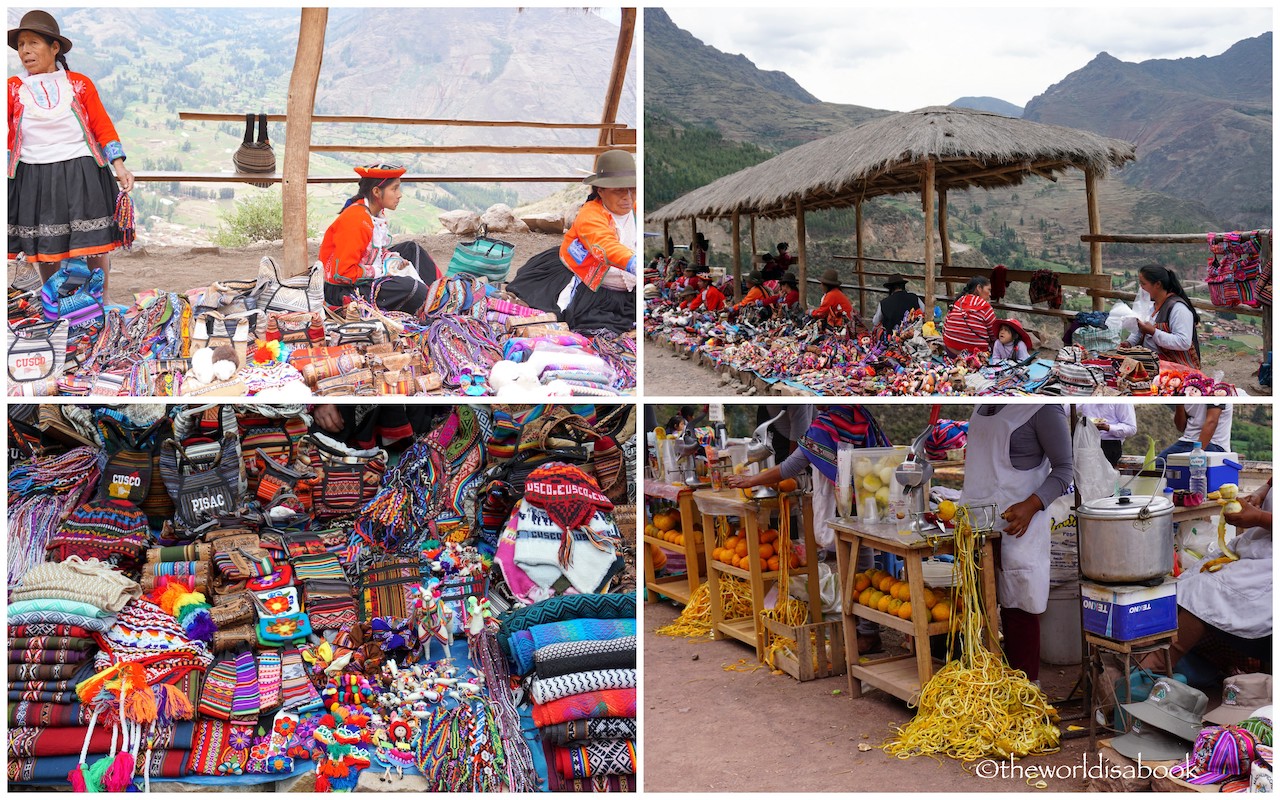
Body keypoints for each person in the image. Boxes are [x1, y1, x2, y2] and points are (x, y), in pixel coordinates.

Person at [727, 405, 891, 653]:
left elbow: (790, 466)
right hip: (874, 493)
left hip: (849, 502)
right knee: (863, 564)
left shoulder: (824, 425)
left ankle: (866, 633)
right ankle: (866, 629)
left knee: (855, 570)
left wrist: (750, 480)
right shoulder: (860, 413)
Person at [8, 10, 134, 304]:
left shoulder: (79, 84)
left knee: (93, 245)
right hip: (33, 175)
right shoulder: (12, 89)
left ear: (54, 48)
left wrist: (119, 164)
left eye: (33, 43)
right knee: (46, 246)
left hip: (81, 172)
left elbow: (101, 125)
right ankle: (56, 302)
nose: (25, 50)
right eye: (21, 45)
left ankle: (99, 300)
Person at [961, 404, 1072, 683]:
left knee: (1018, 607)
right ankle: (982, 686)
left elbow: (1064, 470)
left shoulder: (1044, 409)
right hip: (975, 522)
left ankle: (1024, 694)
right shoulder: (981, 405)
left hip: (1018, 524)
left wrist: (1032, 505)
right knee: (976, 608)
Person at [1166, 480, 1271, 667]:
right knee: (1193, 577)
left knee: (1207, 589)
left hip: (1270, 561)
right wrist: (1259, 495)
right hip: (1258, 542)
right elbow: (1271, 482)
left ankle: (1160, 662)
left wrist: (1259, 518)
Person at [318, 163, 438, 313]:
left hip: (361, 275)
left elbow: (373, 252)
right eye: (394, 189)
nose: (399, 194)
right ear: (376, 191)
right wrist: (383, 270)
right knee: (411, 288)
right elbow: (343, 274)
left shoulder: (374, 214)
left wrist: (393, 260)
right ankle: (429, 304)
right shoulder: (357, 221)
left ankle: (438, 293)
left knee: (411, 249)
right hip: (342, 290)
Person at [1126, 264, 1201, 369]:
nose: (1141, 288)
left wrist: (1153, 332)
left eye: (1143, 284)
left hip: (1176, 368)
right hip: (1151, 363)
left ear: (1157, 284)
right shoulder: (1150, 307)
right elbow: (1140, 331)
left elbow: (1184, 342)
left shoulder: (1178, 309)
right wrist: (1129, 343)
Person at [942, 276, 997, 356]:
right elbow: (993, 334)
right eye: (988, 290)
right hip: (975, 355)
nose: (990, 294)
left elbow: (945, 328)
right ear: (979, 288)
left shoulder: (958, 302)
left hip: (951, 351)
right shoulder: (985, 307)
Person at [1158, 403, 1232, 460]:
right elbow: (1181, 427)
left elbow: (1212, 422)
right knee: (1158, 466)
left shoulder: (1217, 389)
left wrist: (1197, 454)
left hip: (1213, 444)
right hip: (1186, 441)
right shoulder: (1187, 389)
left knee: (1192, 471)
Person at [1079, 403, 1137, 467]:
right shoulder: (1084, 396)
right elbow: (1067, 410)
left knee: (1105, 475)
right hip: (1086, 442)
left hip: (1109, 445)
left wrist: (1108, 428)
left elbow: (1131, 428)